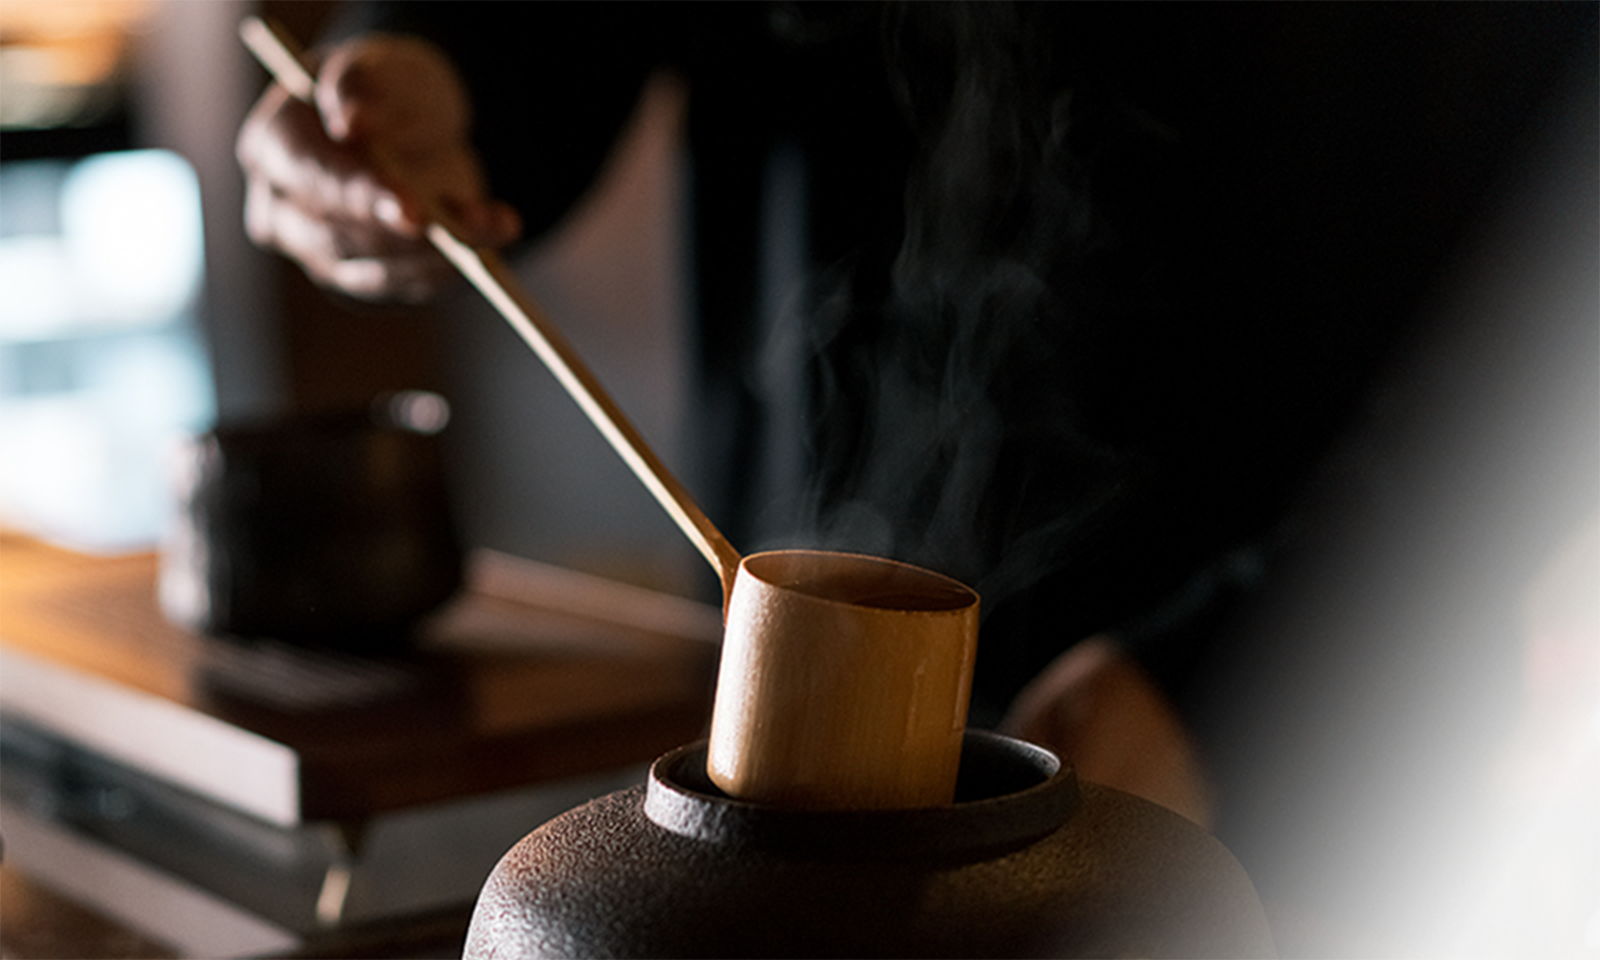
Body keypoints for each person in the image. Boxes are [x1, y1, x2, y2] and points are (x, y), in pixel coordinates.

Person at [237, 0, 1600, 951]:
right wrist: (416, 68)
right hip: (784, 758)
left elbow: (1570, 308)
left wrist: (1243, 678)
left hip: (1304, 784)